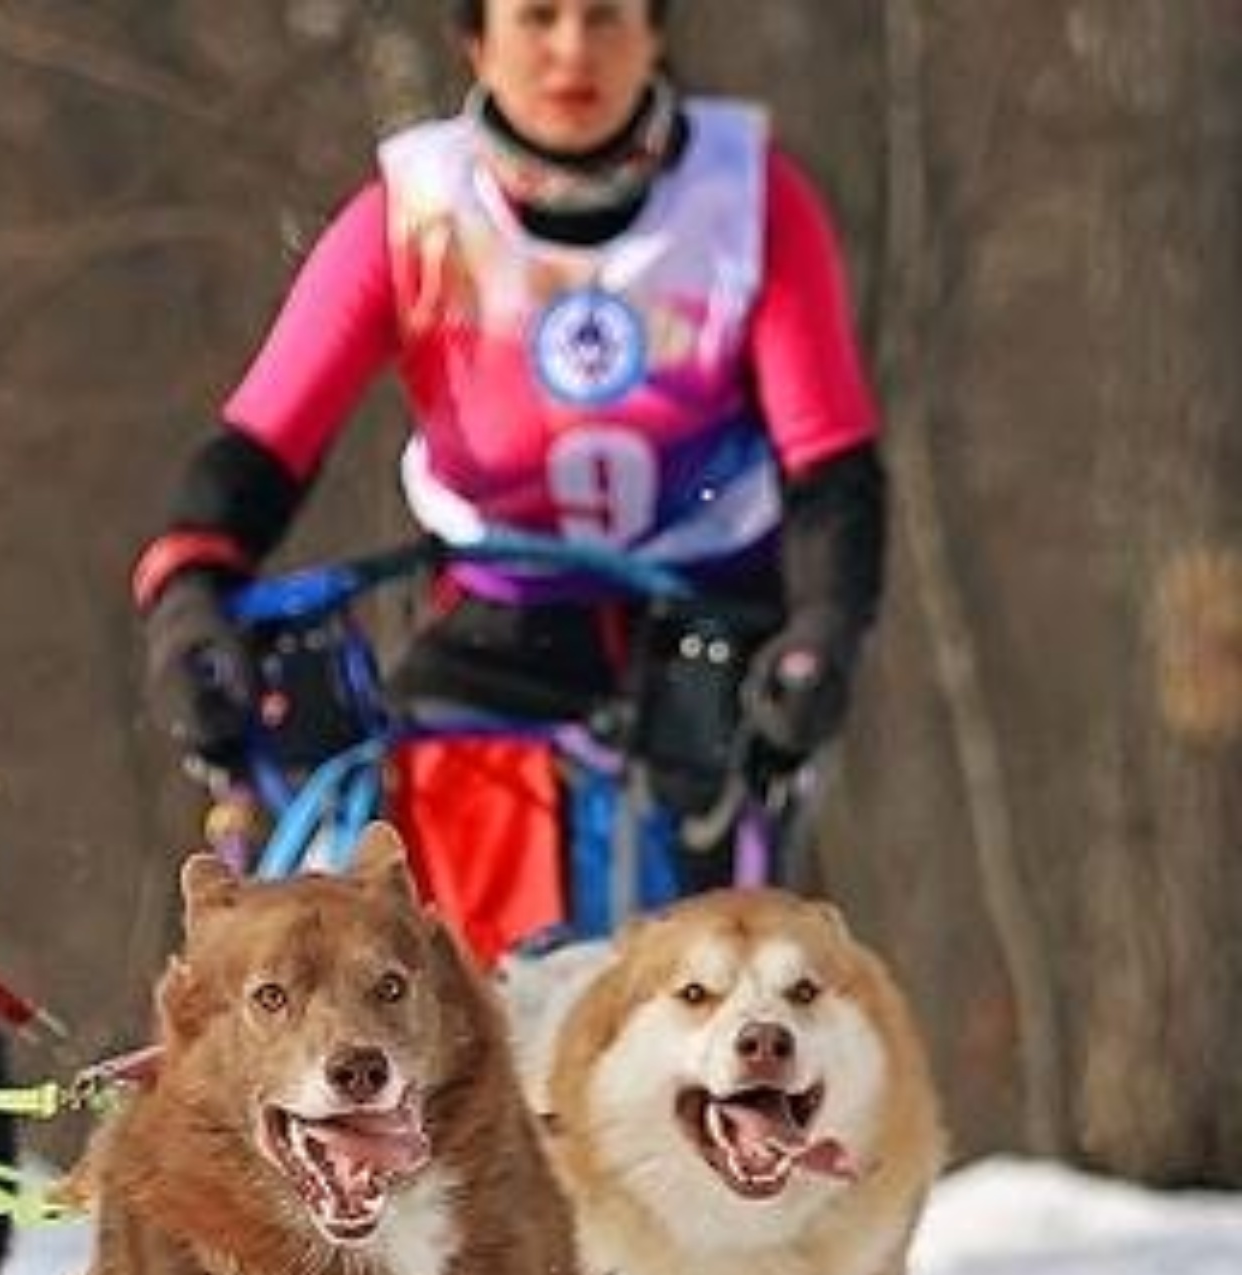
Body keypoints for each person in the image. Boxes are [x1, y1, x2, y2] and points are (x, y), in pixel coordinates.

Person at [133, 0, 884, 960]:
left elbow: (831, 465)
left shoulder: (751, 205)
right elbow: (262, 442)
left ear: (654, 34)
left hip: (714, 643)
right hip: (496, 633)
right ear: (477, 42)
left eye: (605, 16)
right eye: (537, 18)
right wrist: (189, 591)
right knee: (391, 921)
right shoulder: (410, 217)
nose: (573, 50)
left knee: (743, 991)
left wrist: (824, 629)